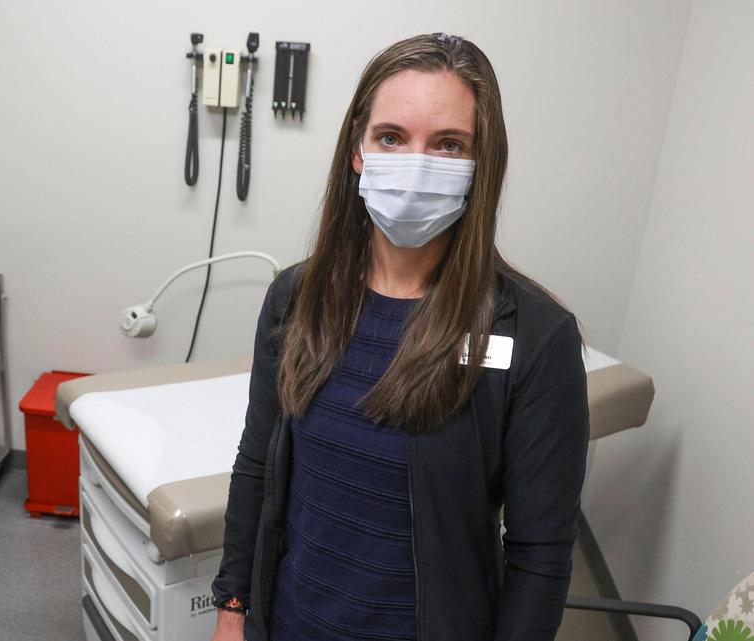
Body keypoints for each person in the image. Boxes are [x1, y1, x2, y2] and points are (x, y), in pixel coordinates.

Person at [209, 33, 590, 641]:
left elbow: (539, 557)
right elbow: (256, 466)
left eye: (447, 145)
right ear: (358, 150)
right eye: (392, 137)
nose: (416, 166)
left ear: (478, 163)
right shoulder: (295, 298)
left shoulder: (537, 337)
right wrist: (232, 608)